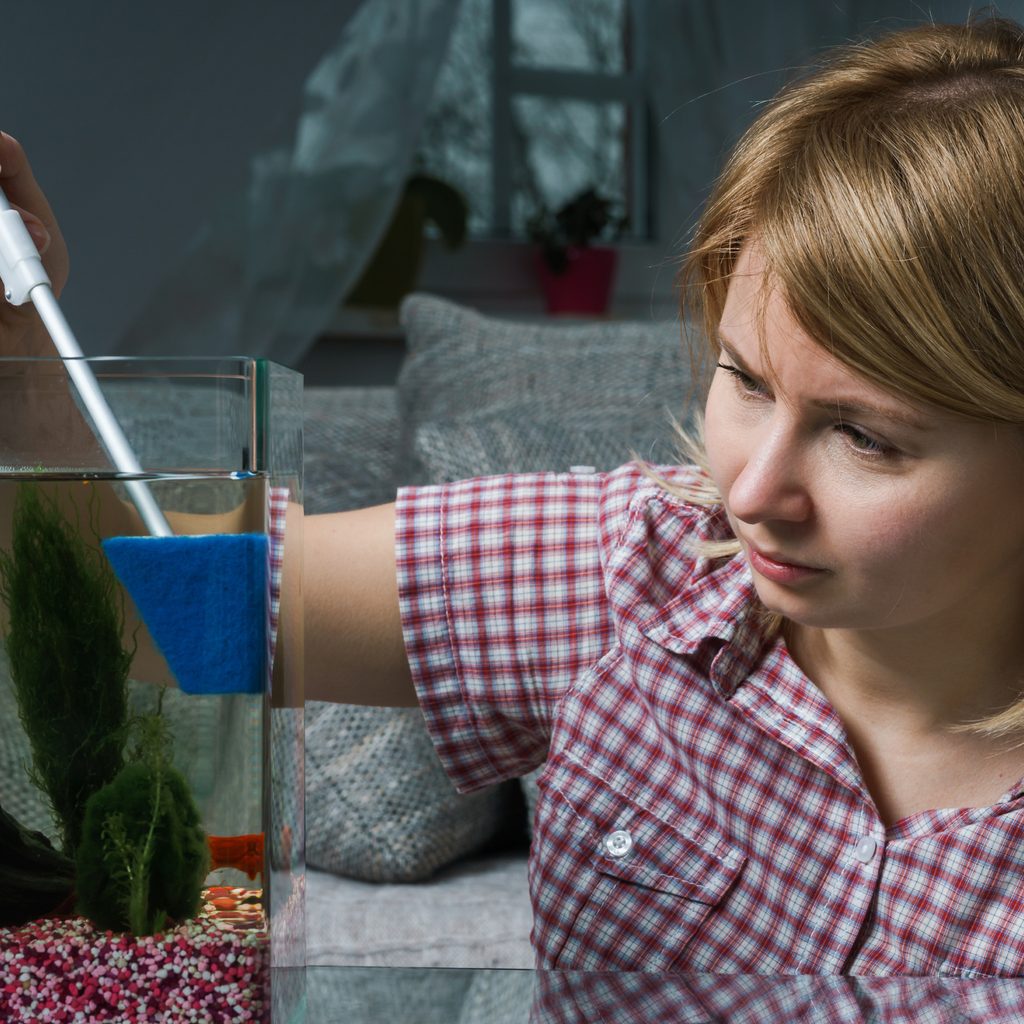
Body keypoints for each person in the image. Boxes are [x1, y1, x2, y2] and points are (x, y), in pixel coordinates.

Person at [9, 13, 1024, 975]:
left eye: (864, 437)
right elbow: (164, 608)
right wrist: (17, 349)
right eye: (746, 381)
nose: (752, 491)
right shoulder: (623, 572)